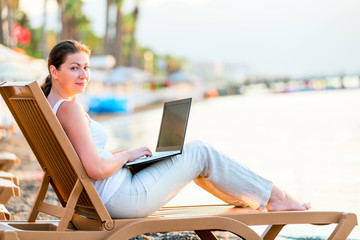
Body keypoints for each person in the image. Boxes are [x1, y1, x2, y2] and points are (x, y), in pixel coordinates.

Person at [42, 40, 311, 218]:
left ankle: (254, 196)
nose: (83, 75)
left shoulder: (52, 108)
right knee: (201, 152)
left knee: (190, 155)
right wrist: (124, 157)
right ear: (55, 71)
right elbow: (96, 170)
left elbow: (90, 159)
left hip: (100, 198)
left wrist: (128, 154)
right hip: (121, 199)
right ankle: (273, 197)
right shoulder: (70, 109)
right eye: (74, 68)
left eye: (86, 67)